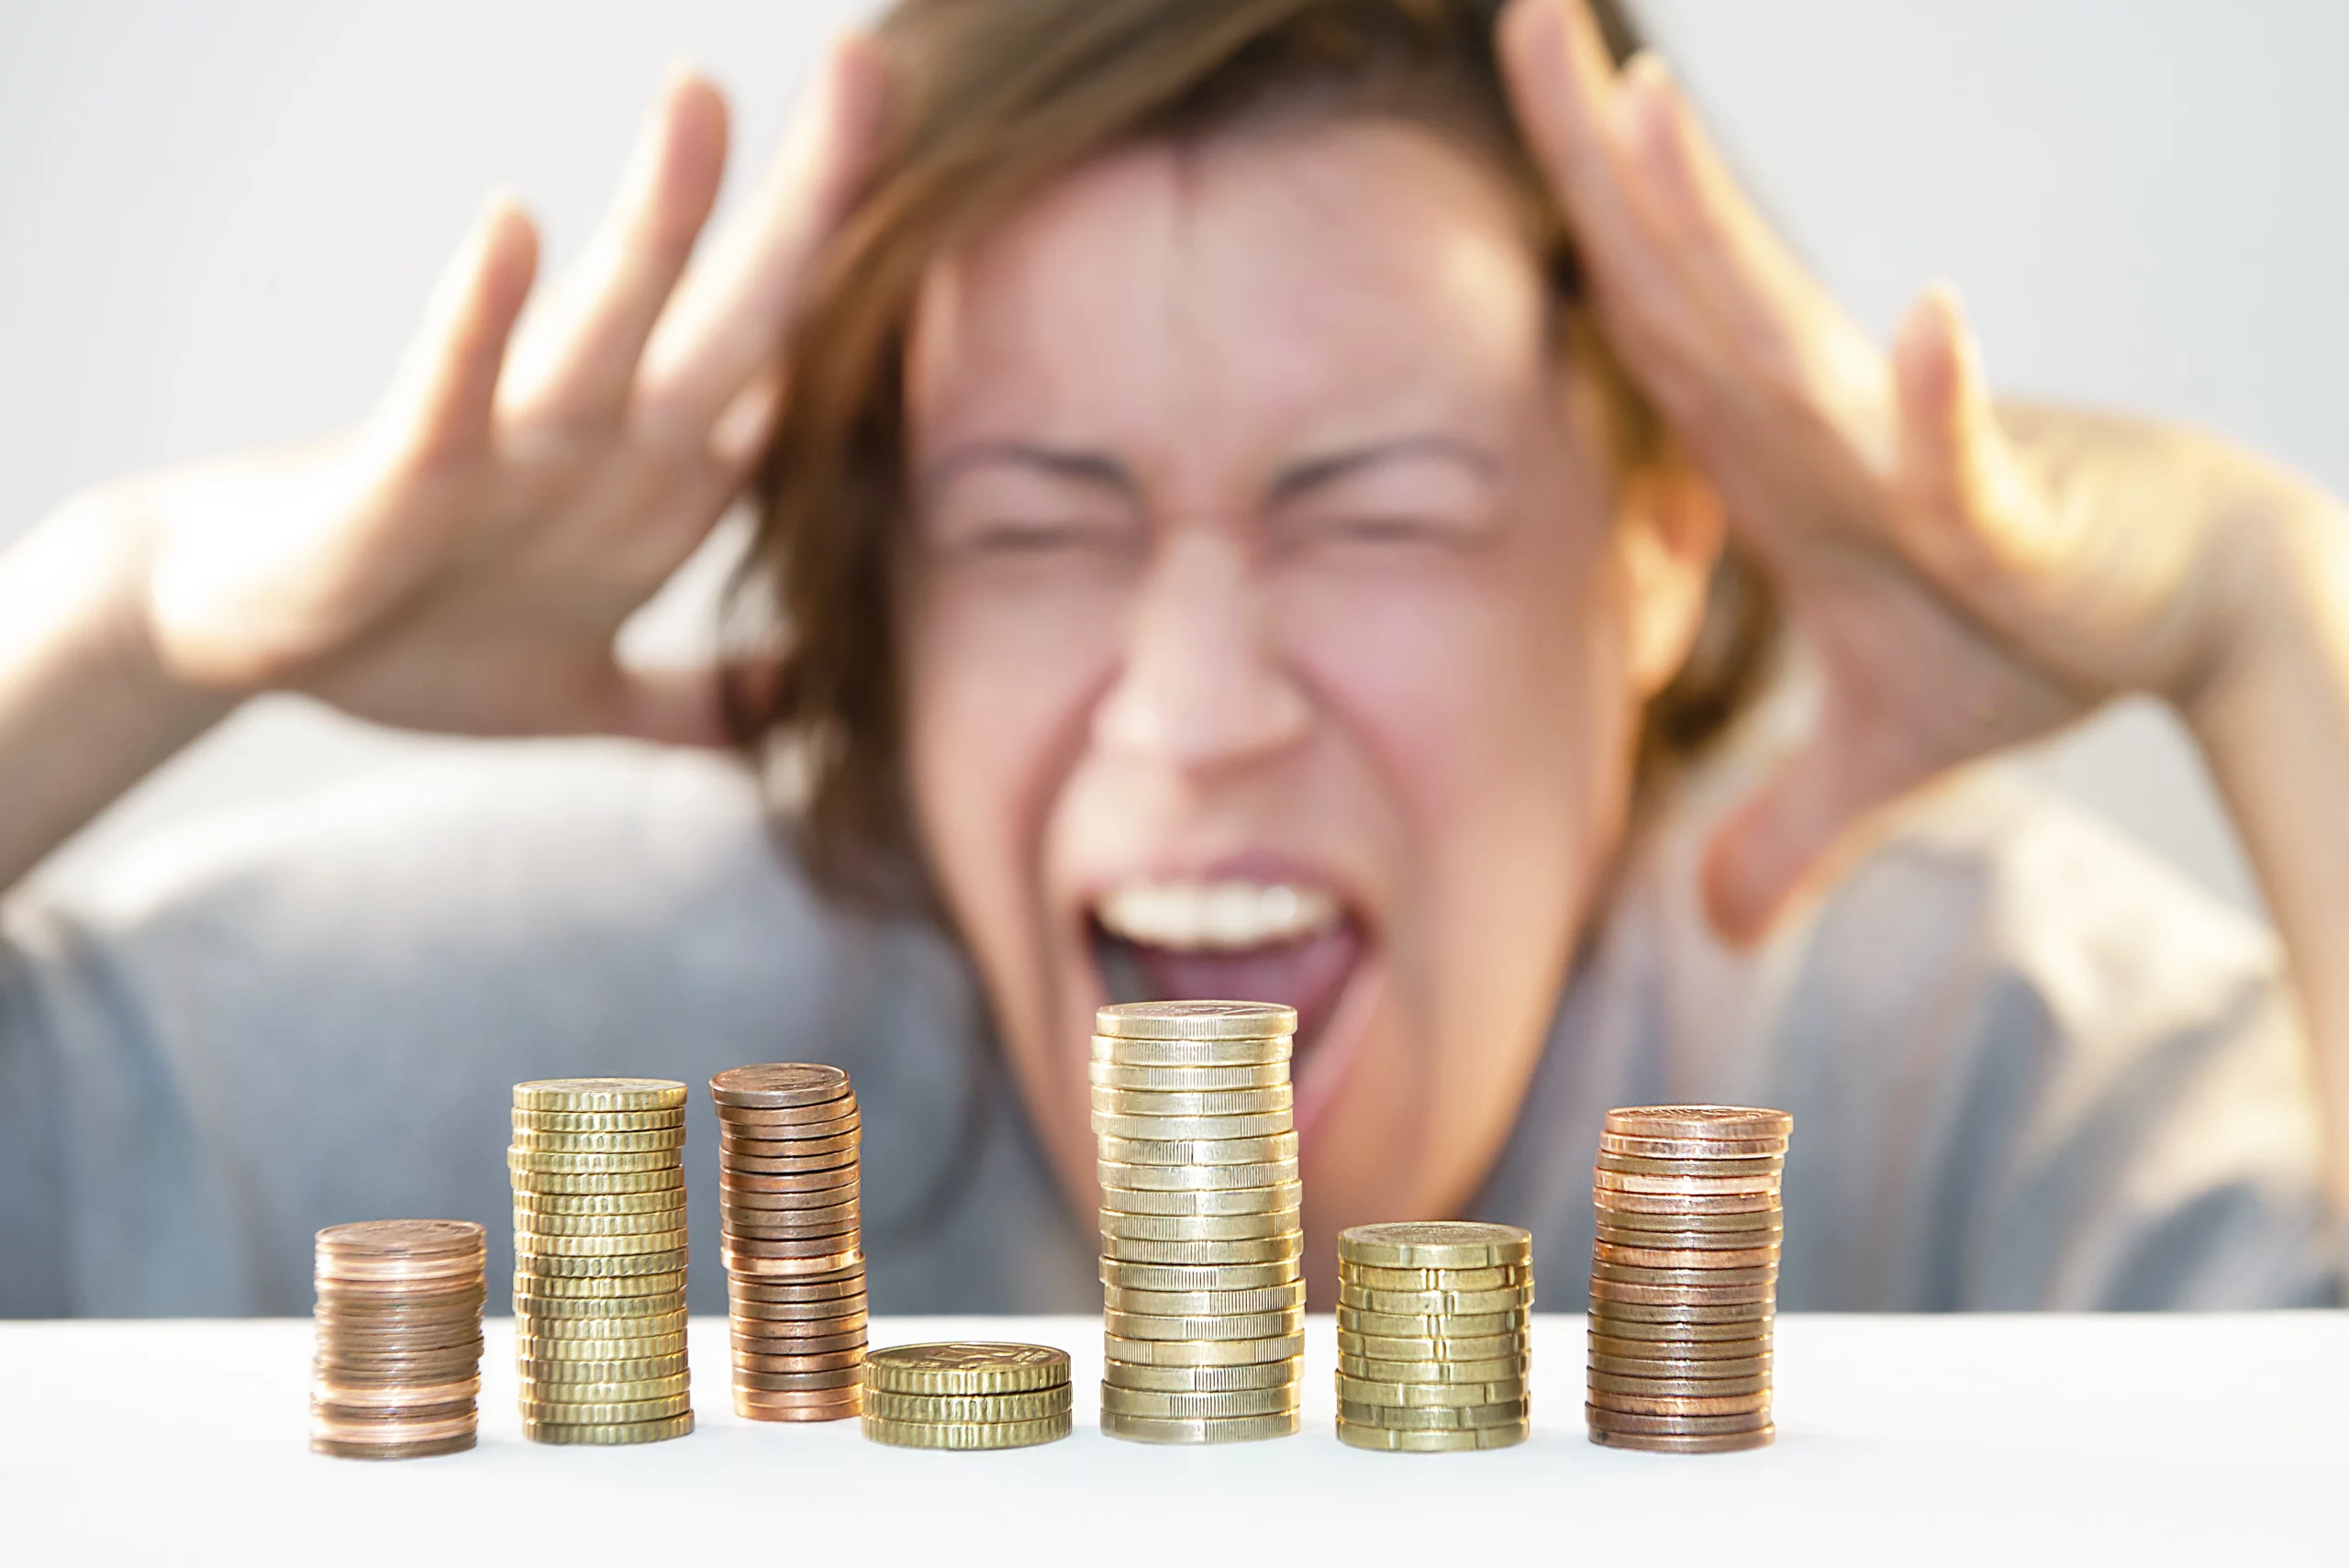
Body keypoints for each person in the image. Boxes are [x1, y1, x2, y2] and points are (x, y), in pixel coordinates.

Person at [2, 0, 2343, 1318]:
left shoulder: (1972, 1053)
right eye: (1031, 520)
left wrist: (2271, 622)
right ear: (887, 611)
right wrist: (115, 620)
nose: (1194, 705)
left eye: (1376, 509)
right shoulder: (617, 1000)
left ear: (1652, 554)